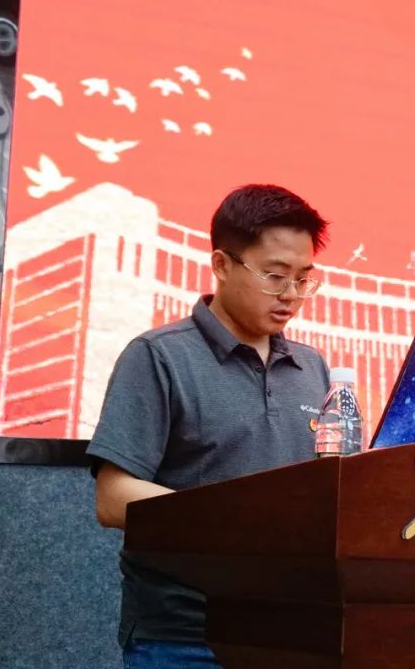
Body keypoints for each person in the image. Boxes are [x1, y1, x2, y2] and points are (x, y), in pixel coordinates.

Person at [85, 184, 331, 668]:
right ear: (221, 264)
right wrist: (241, 519)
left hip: (294, 632)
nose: (291, 295)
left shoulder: (314, 368)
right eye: (275, 276)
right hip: (186, 637)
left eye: (304, 279)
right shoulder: (159, 356)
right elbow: (113, 499)